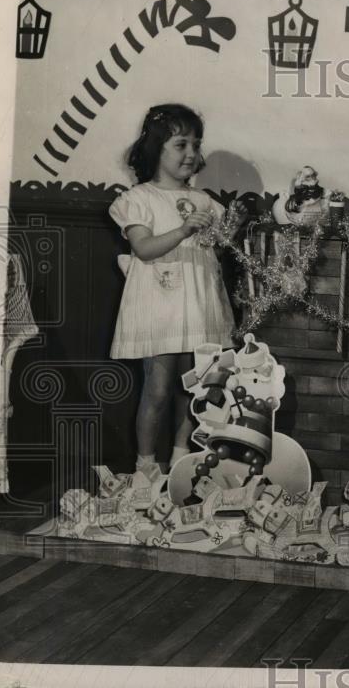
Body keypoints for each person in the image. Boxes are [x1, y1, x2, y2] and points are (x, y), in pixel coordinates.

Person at [109, 104, 244, 475]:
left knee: (197, 388)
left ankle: (183, 457)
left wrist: (228, 231)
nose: (190, 153)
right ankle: (146, 467)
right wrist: (185, 230)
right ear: (156, 149)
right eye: (180, 144)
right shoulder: (139, 199)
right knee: (158, 388)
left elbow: (217, 248)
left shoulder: (207, 203)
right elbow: (144, 248)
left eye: (195, 145)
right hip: (161, 307)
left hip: (200, 306)